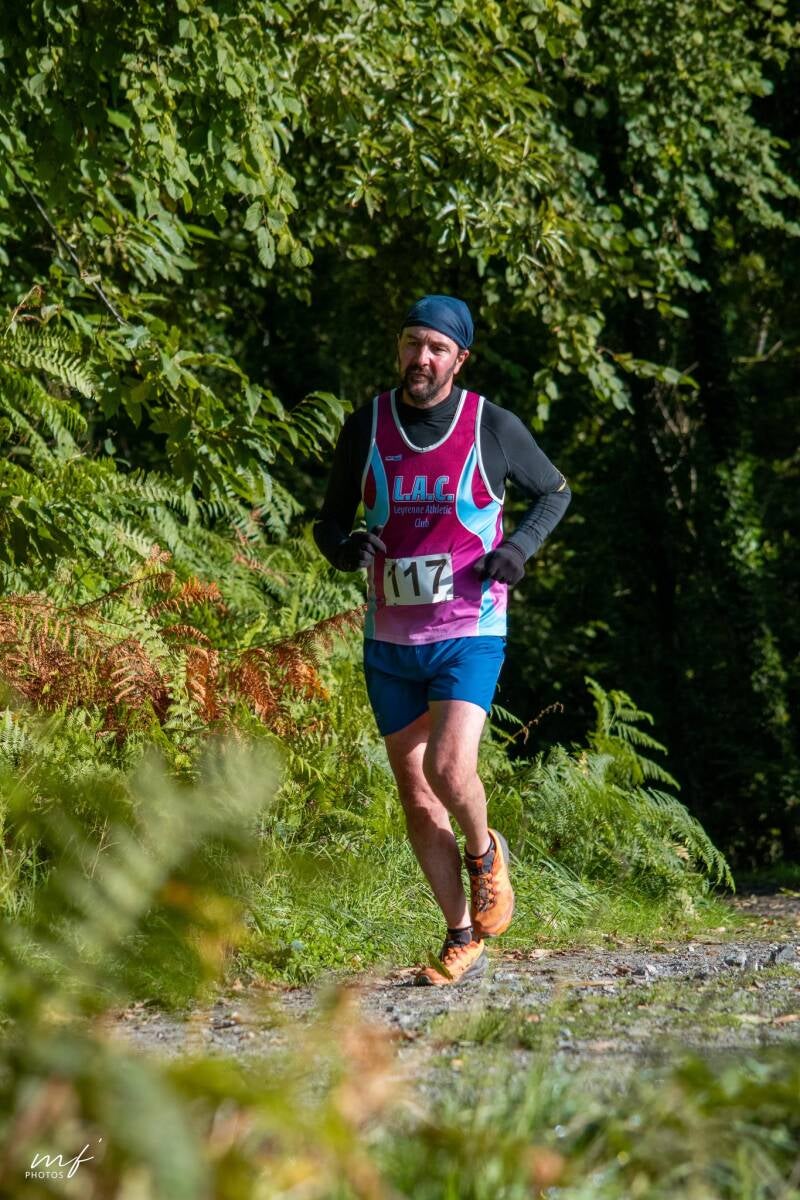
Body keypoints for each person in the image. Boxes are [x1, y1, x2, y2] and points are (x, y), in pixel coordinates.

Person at [313, 295, 571, 985]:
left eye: (436, 348)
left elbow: (555, 492)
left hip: (469, 628)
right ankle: (460, 935)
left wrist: (517, 549)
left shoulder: (491, 424)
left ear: (460, 358)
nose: (420, 358)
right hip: (391, 639)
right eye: (411, 343)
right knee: (416, 794)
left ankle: (486, 856)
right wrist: (346, 547)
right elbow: (329, 523)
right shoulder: (367, 424)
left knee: (450, 768)